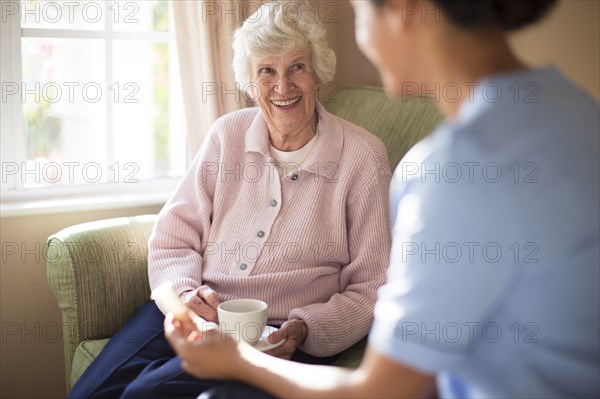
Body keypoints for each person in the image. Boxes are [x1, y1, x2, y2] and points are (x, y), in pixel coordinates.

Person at [165, 0, 600, 398]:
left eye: (358, 12)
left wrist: (240, 360)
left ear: (402, 10)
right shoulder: (577, 111)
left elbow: (383, 391)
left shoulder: (458, 168)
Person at [67, 1, 392, 398]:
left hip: (277, 336)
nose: (283, 86)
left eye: (297, 67)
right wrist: (185, 296)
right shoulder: (227, 135)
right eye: (266, 71)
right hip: (195, 312)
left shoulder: (361, 156)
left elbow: (372, 285)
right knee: (91, 391)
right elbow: (174, 236)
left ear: (317, 73)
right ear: (250, 83)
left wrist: (307, 327)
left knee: (144, 393)